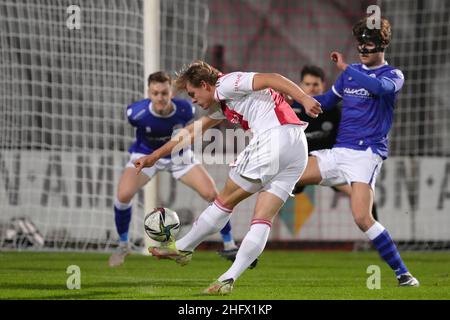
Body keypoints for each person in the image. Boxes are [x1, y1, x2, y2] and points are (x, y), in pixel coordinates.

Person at [134, 60, 321, 294]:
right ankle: (228, 278)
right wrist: (155, 155)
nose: (193, 100)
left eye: (193, 93)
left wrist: (302, 97)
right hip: (296, 149)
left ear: (204, 84)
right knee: (263, 219)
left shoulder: (226, 83)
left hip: (275, 140)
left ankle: (182, 247)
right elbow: (191, 132)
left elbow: (272, 76)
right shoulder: (223, 102)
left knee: (224, 201)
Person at [293, 17, 418, 286]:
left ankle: (403, 274)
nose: (363, 50)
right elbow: (326, 101)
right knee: (288, 174)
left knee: (362, 218)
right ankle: (238, 248)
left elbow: (380, 89)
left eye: (369, 45)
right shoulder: (349, 75)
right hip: (339, 152)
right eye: (360, 45)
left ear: (382, 45)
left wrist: (347, 68)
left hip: (366, 154)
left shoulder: (393, 75)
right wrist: (291, 99)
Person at [109, 71, 238, 267]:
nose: (160, 98)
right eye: (155, 93)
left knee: (212, 194)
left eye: (164, 93)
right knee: (123, 195)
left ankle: (229, 244)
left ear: (171, 92)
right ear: (149, 93)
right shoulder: (135, 113)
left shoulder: (185, 109)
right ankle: (123, 244)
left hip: (178, 156)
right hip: (144, 156)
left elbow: (188, 134)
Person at [291, 65, 379, 221]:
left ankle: (374, 236)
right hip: (301, 164)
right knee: (274, 190)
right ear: (300, 85)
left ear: (323, 85)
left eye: (315, 84)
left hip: (329, 164)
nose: (311, 89)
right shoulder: (290, 109)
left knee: (363, 193)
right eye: (307, 84)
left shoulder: (334, 111)